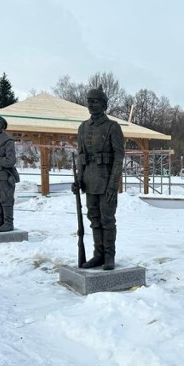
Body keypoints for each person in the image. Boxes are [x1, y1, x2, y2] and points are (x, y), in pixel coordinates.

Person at [72, 86, 125, 271]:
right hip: (89, 181)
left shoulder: (112, 127)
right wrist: (79, 179)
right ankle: (98, 255)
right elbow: (81, 156)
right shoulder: (83, 127)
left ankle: (109, 255)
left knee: (107, 219)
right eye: (88, 101)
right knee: (94, 218)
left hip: (106, 181)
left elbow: (119, 157)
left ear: (103, 104)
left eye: (94, 101)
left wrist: (113, 185)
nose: (90, 104)